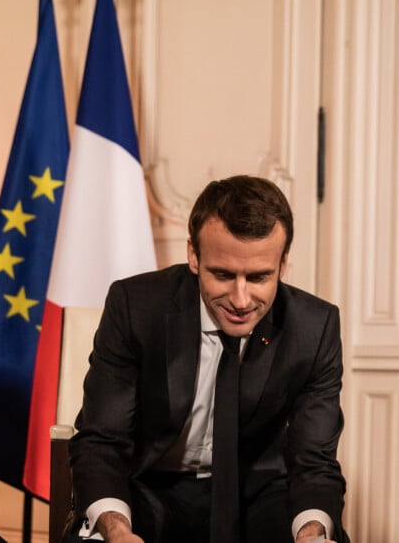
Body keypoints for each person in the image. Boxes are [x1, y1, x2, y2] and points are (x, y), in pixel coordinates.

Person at [65, 175, 349, 543]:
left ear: (283, 265)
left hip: (258, 493)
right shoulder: (135, 307)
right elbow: (102, 441)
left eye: (260, 276)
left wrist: (311, 534)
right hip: (149, 489)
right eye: (223, 275)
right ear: (194, 257)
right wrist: (117, 529)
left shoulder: (315, 327)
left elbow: (315, 463)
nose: (241, 299)